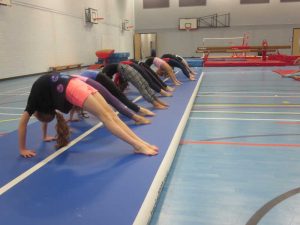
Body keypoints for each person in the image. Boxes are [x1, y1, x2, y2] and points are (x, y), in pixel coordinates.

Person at [18, 73, 158, 158]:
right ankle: (141, 143)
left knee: (106, 118)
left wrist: (22, 149)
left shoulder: (34, 102)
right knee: (112, 115)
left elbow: (22, 124)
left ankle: (138, 145)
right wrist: (44, 136)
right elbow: (46, 117)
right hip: (78, 82)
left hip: (73, 89)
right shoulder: (43, 100)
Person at [69, 74, 151, 125]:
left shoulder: (71, 80)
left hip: (93, 84)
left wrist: (71, 117)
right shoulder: (73, 77)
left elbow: (76, 101)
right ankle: (138, 117)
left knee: (114, 103)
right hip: (94, 83)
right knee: (114, 102)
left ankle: (138, 118)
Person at [80, 70, 155, 117]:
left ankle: (141, 110)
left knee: (119, 98)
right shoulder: (82, 76)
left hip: (100, 78)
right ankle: (139, 110)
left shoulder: (80, 80)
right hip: (101, 77)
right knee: (118, 97)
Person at [102, 63, 169, 109]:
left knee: (141, 86)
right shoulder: (107, 70)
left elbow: (110, 84)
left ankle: (156, 103)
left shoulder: (104, 74)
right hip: (128, 67)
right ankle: (156, 101)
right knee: (144, 84)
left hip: (124, 69)